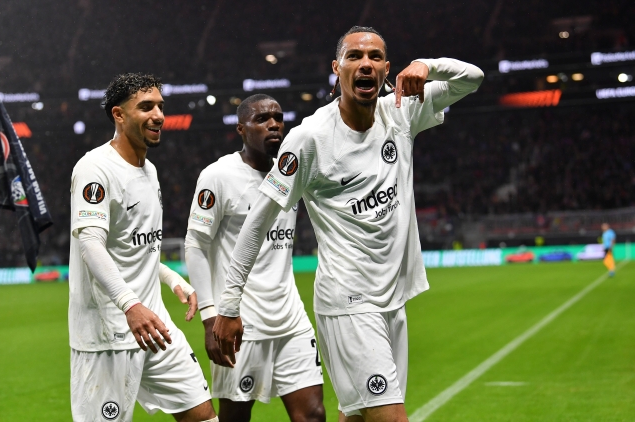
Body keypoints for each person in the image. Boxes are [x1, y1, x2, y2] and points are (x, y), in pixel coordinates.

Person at [213, 26, 484, 422]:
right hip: (348, 302)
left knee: (356, 416)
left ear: (388, 69)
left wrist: (428, 65)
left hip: (392, 301)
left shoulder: (401, 111)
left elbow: (473, 78)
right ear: (336, 68)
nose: (365, 64)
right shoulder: (310, 138)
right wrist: (228, 305)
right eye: (354, 56)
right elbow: (257, 222)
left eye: (375, 57)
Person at [69, 73, 217, 422]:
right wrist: (130, 305)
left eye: (161, 107)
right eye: (146, 107)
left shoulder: (149, 171)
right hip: (109, 334)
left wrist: (173, 280)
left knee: (204, 416)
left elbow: (138, 248)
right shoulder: (95, 168)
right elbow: (91, 245)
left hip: (156, 326)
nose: (158, 116)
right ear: (119, 115)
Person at [185, 94, 325, 422]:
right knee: (236, 417)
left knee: (313, 415)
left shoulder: (290, 173)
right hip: (238, 322)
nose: (273, 124)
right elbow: (195, 245)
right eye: (262, 119)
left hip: (290, 319)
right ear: (241, 129)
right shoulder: (218, 176)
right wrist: (210, 318)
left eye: (278, 117)